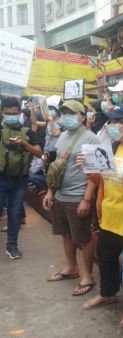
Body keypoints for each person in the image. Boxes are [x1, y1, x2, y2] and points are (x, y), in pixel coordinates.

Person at [76, 104, 123, 327]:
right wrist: (88, 170)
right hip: (108, 215)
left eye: (116, 122)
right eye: (110, 121)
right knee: (106, 257)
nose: (111, 126)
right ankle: (108, 293)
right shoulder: (114, 147)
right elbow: (104, 181)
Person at [43, 100, 100, 296]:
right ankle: (71, 268)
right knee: (65, 233)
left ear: (82, 116)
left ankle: (88, 275)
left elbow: (95, 172)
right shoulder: (62, 136)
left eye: (71, 113)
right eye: (64, 113)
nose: (66, 116)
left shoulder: (91, 139)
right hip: (60, 195)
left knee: (83, 237)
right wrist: (51, 192)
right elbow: (56, 168)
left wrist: (86, 199)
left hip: (78, 196)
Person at [0, 98, 43, 259]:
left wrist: (25, 144)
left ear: (19, 113)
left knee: (15, 213)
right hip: (1, 178)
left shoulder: (27, 132)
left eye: (14, 113)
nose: (11, 116)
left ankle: (12, 246)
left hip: (20, 180)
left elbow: (39, 152)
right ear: (2, 113)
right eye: (7, 113)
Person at [44, 96, 64, 167]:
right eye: (48, 109)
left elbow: (54, 134)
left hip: (59, 150)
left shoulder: (63, 121)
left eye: (51, 109)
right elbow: (47, 136)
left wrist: (51, 121)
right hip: (50, 150)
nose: (50, 111)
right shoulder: (49, 122)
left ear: (56, 110)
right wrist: (46, 151)